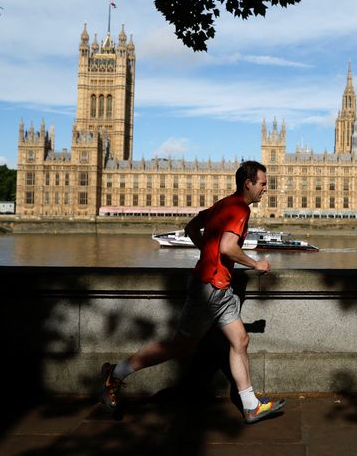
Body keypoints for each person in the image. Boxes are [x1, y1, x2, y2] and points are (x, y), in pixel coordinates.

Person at [99, 160, 285, 424]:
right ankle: (115, 373)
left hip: (222, 287)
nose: (266, 188)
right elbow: (227, 247)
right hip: (208, 288)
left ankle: (251, 405)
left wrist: (207, 252)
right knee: (178, 346)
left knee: (240, 341)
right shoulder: (240, 209)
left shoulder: (223, 205)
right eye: (263, 183)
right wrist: (256, 264)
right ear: (249, 183)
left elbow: (191, 228)